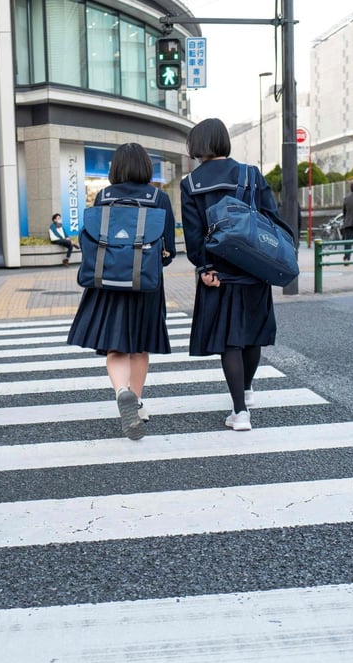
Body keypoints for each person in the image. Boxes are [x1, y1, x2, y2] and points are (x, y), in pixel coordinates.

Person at [179, 118, 292, 432]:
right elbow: (271, 218)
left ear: (196, 145)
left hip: (219, 270)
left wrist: (204, 267)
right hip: (256, 265)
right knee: (252, 333)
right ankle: (247, 389)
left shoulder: (191, 184)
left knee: (230, 339)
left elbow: (193, 233)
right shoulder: (250, 174)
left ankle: (240, 412)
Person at [67, 143, 177, 440]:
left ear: (115, 168)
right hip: (145, 284)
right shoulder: (159, 198)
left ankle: (121, 392)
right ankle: (136, 402)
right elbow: (169, 250)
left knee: (116, 346)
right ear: (146, 167)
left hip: (108, 283)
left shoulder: (103, 197)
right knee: (140, 346)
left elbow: (91, 241)